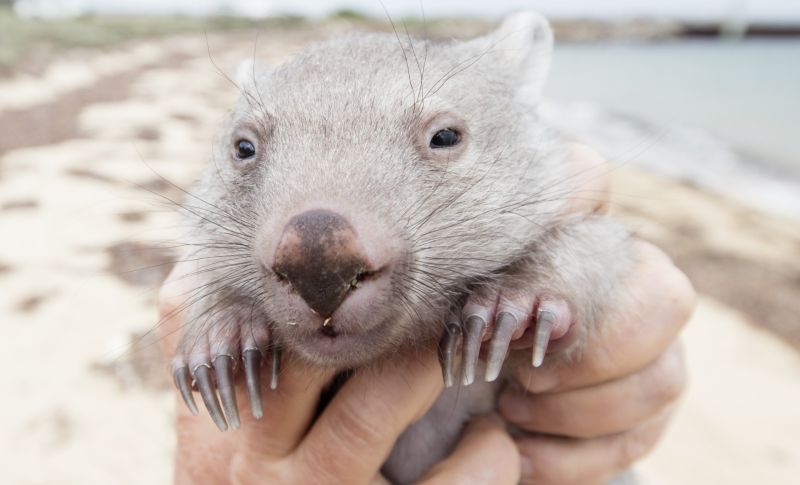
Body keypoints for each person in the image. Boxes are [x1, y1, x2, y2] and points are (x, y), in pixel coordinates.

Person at [157, 145, 695, 484]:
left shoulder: (539, 198)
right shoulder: (226, 252)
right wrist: (218, 311)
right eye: (247, 152)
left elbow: (593, 242)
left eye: (441, 141)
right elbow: (203, 254)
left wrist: (555, 281)